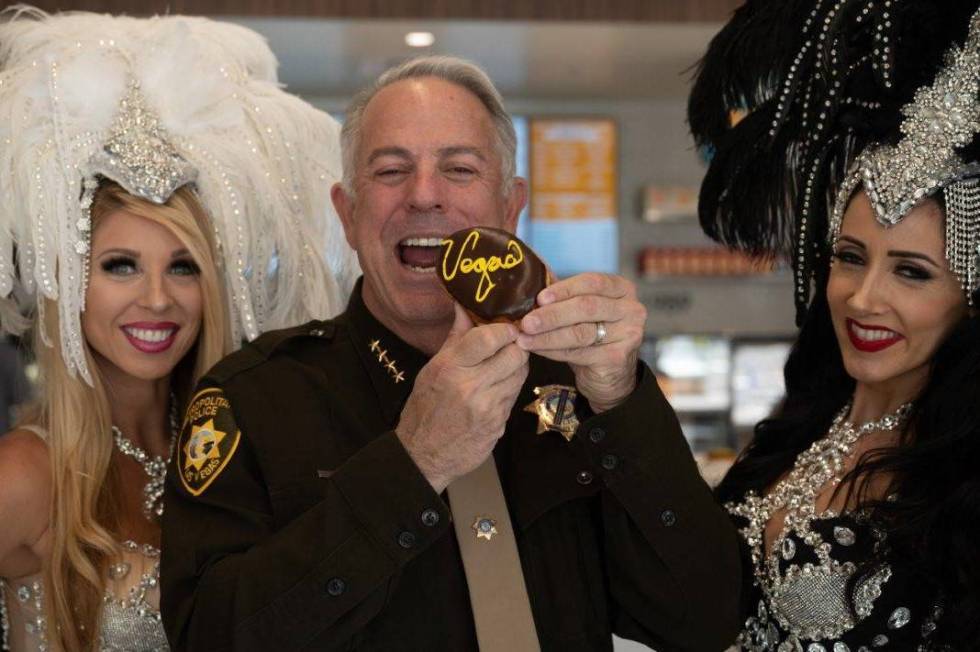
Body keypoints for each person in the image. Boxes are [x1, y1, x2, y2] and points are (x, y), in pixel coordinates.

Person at [160, 56, 743, 651]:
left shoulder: (581, 386)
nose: (424, 196)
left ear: (510, 208)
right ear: (348, 213)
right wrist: (414, 463)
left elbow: (704, 620)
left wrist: (622, 403)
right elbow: (210, 635)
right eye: (391, 170)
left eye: (459, 168)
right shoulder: (252, 398)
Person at [0, 9, 355, 651]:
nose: (157, 299)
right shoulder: (25, 476)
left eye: (183, 267)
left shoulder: (242, 452)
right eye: (121, 266)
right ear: (71, 286)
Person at [688, 1, 980, 648]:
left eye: (912, 272)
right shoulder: (800, 429)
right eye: (850, 258)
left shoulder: (962, 480)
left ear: (970, 295)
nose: (864, 298)